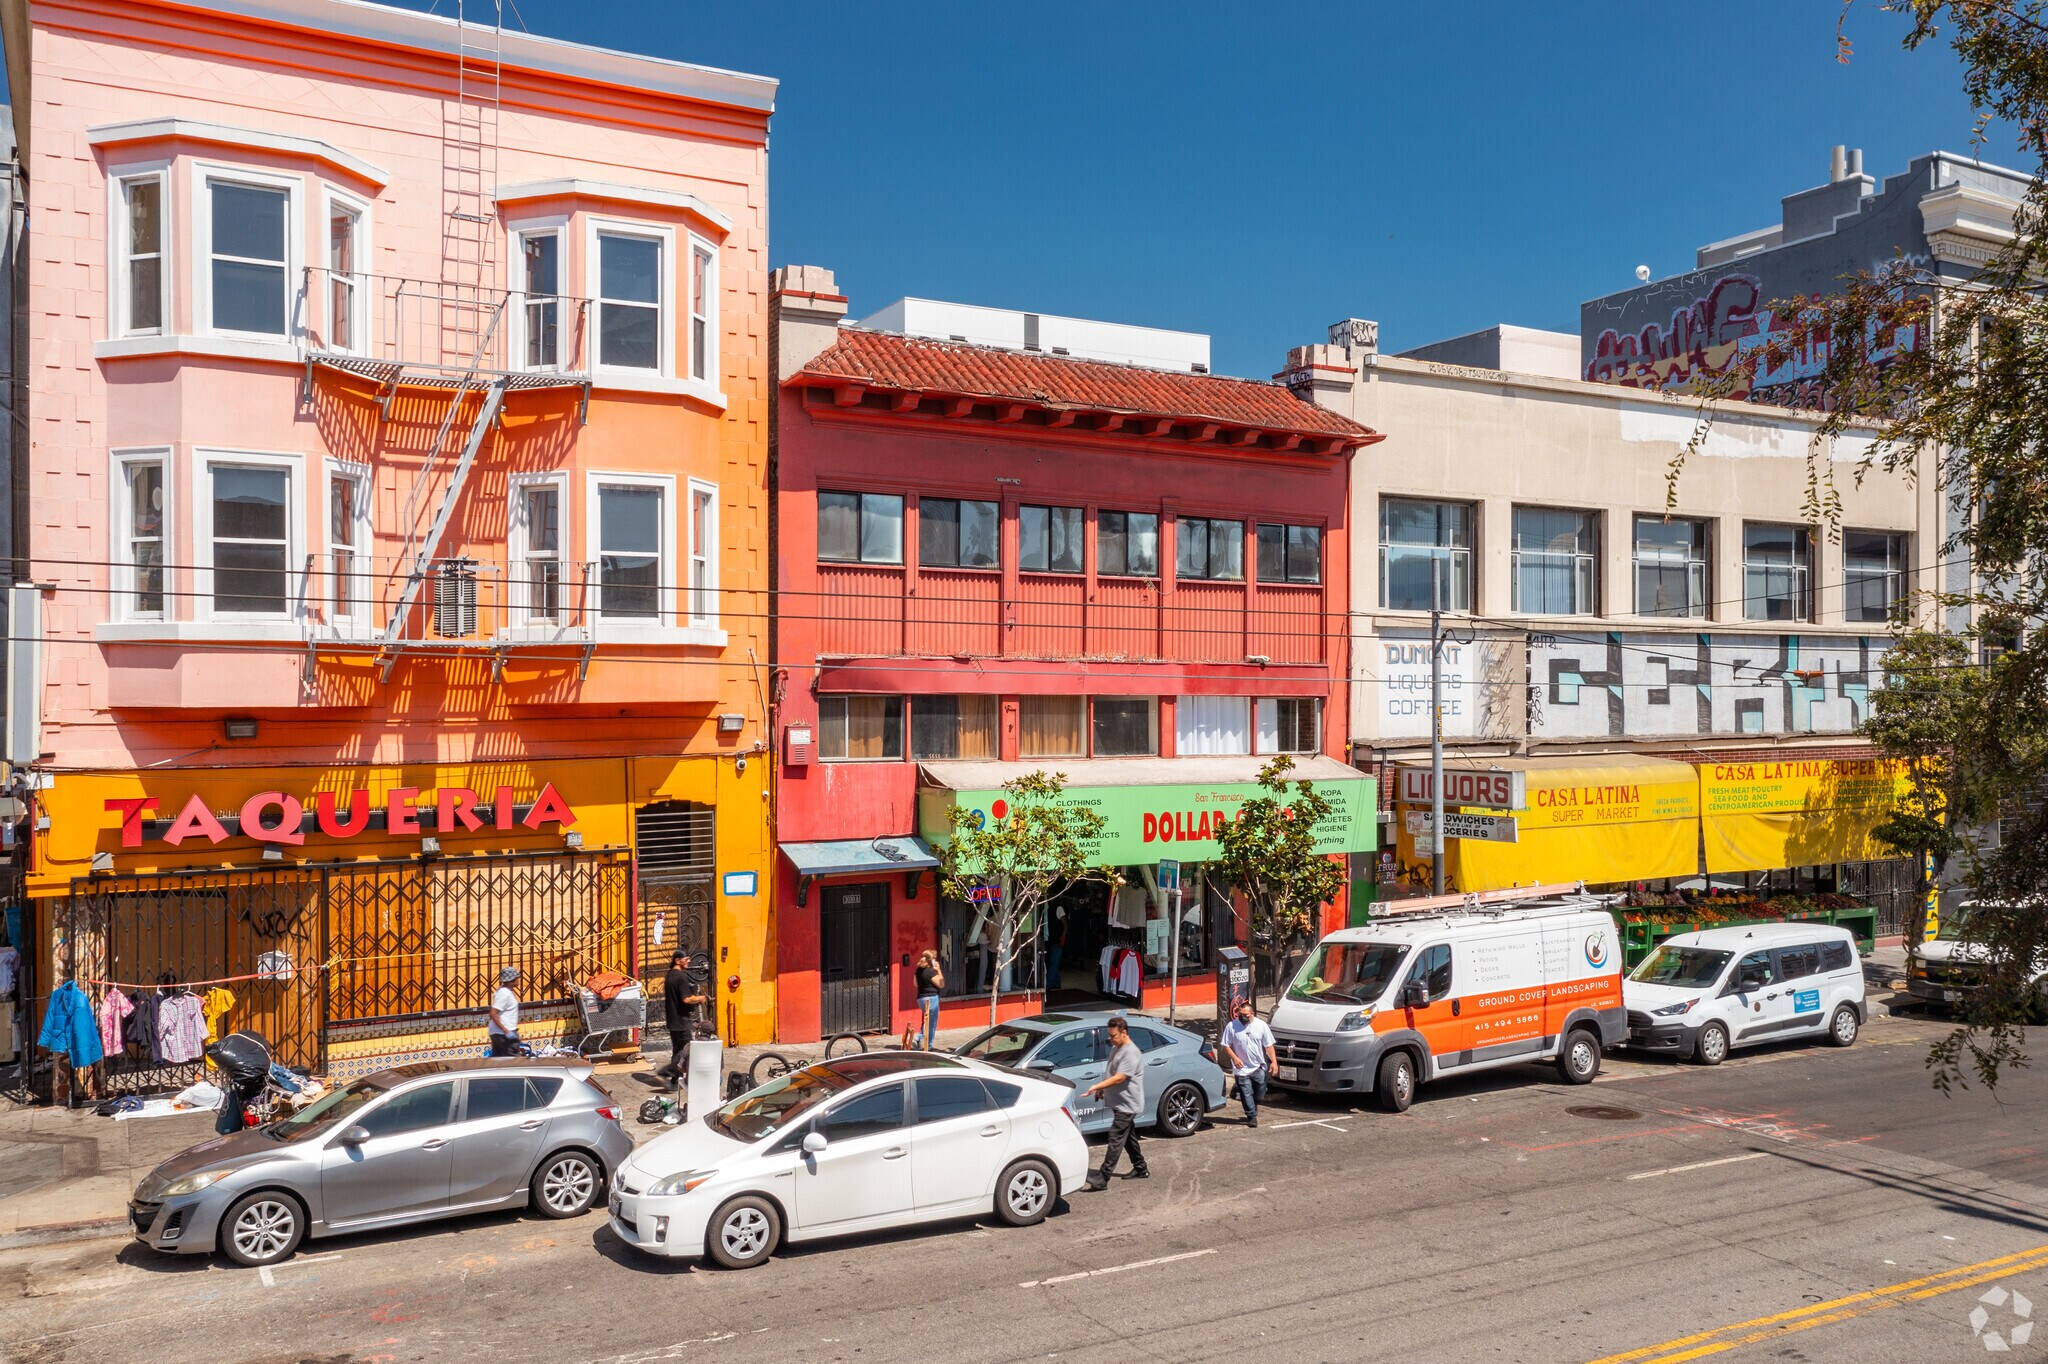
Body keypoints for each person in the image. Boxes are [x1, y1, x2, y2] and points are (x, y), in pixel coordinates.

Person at [1082, 1016, 1149, 1190]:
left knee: (1115, 1138)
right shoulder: (1117, 1047)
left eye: (1113, 1035)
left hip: (1128, 1105)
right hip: (1120, 1103)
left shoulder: (1131, 1052)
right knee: (1128, 1138)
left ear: (1124, 1032)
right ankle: (1141, 1168)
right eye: (1109, 1036)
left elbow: (1120, 1077)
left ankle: (1103, 1178)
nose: (1110, 1039)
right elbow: (1112, 1072)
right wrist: (1101, 1089)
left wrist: (1096, 1085)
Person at [1219, 997, 1278, 1127]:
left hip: (1258, 1066)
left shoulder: (1261, 1026)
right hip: (1241, 1068)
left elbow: (1269, 1045)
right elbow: (1226, 1045)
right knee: (1246, 1093)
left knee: (1260, 1093)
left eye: (1245, 1015)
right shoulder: (1232, 1026)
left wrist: (1274, 1062)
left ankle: (1252, 1103)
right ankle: (1251, 1116)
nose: (1242, 1017)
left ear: (1252, 1014)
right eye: (1240, 1015)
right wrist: (1235, 1058)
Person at [660, 951, 710, 1079]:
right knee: (687, 1049)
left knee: (677, 1049)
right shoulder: (680, 977)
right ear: (677, 961)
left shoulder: (670, 975)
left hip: (672, 1019)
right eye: (686, 959)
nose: (688, 961)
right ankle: (669, 1070)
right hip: (680, 1020)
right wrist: (700, 998)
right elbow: (686, 999)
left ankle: (675, 1079)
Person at [487, 966, 521, 1057]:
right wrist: (506, 1031)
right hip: (503, 1035)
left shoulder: (505, 991)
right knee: (513, 1062)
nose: (519, 979)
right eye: (517, 977)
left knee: (500, 1062)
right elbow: (493, 1013)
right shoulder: (504, 993)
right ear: (511, 980)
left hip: (502, 1033)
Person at [913, 950, 944, 1049]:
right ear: (932, 961)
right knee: (932, 1024)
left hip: (921, 999)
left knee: (926, 1020)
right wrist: (938, 970)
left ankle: (919, 1037)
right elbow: (941, 984)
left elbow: (915, 984)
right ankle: (928, 1045)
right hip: (932, 999)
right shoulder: (931, 972)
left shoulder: (918, 970)